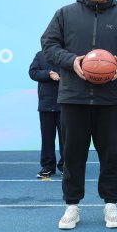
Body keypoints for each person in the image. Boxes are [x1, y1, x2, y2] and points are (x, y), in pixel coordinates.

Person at [41, 0, 117, 230]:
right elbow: (49, 45)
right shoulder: (65, 14)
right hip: (73, 97)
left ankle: (111, 204)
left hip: (110, 99)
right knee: (73, 155)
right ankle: (72, 205)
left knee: (111, 155)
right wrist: (72, 61)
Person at [29, 50, 64, 179]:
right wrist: (48, 73)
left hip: (65, 103)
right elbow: (33, 72)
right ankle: (48, 167)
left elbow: (75, 72)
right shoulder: (40, 55)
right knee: (47, 138)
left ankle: (66, 166)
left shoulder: (67, 54)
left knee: (66, 139)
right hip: (46, 104)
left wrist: (60, 75)